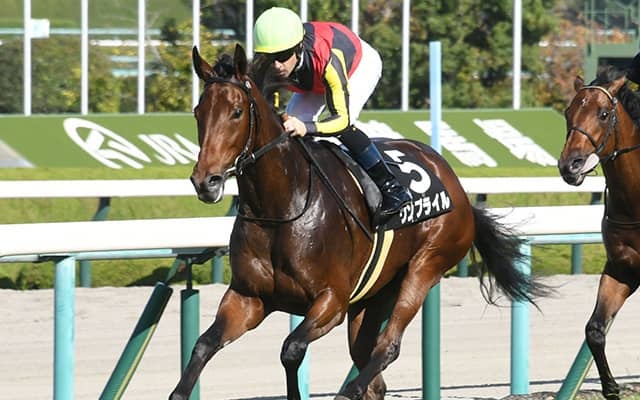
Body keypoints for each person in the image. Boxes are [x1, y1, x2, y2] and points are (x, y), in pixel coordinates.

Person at [253, 7, 411, 218]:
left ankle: (393, 188)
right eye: (269, 57)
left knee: (340, 129)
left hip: (356, 67)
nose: (276, 65)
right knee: (287, 132)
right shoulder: (265, 65)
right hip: (312, 80)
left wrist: (306, 127)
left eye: (282, 56)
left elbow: (341, 120)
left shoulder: (328, 58)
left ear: (298, 47)